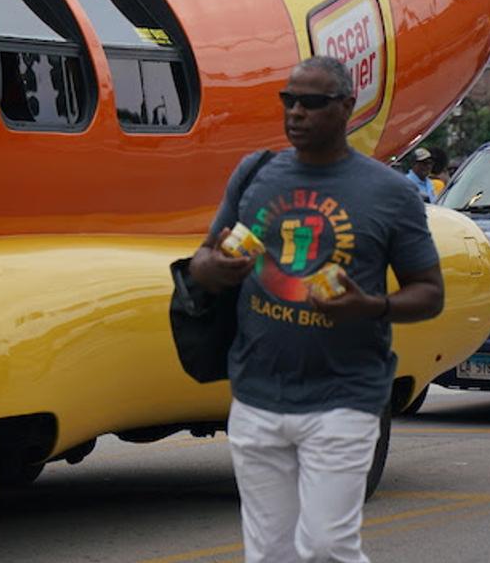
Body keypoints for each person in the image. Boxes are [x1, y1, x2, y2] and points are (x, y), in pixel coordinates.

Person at [187, 56, 445, 563]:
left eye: (312, 102)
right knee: (270, 553)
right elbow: (202, 258)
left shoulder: (390, 193)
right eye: (289, 100)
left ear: (347, 106)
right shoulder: (256, 173)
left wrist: (369, 306)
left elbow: (430, 293)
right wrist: (212, 269)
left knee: (327, 547)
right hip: (258, 394)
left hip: (344, 396)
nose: (296, 112)